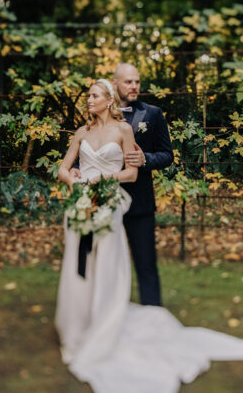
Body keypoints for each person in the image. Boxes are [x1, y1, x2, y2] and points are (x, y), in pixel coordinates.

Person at [55, 77, 243, 393]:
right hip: (81, 205)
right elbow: (64, 168)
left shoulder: (123, 130)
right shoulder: (79, 132)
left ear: (108, 101)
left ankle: (104, 324)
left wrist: (102, 183)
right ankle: (78, 324)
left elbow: (131, 171)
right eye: (87, 95)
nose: (87, 100)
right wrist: (75, 182)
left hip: (109, 202)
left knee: (105, 265)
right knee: (80, 267)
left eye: (93, 96)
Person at [70, 63, 172, 306]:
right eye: (128, 82)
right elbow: (81, 155)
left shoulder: (153, 114)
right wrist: (76, 170)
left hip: (139, 203)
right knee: (97, 261)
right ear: (115, 84)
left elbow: (167, 155)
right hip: (99, 202)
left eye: (137, 81)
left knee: (145, 262)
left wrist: (146, 159)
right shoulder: (96, 116)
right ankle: (98, 313)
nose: (134, 86)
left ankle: (153, 315)